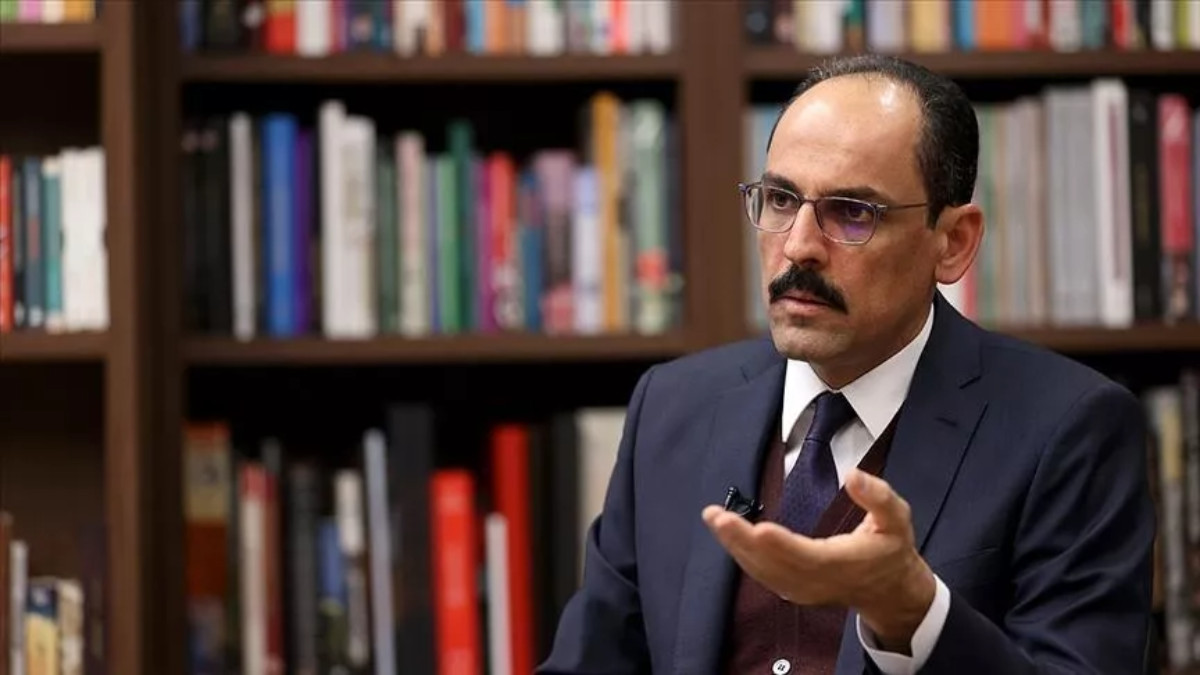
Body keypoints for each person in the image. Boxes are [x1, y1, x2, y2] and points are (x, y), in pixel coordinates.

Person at [535, 54, 1156, 675]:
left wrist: (916, 614)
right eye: (781, 200)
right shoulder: (673, 407)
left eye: (853, 212)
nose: (798, 246)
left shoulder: (1068, 430)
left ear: (953, 243)